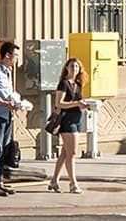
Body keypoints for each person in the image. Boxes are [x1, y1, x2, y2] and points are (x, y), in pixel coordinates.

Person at [0, 42, 29, 197]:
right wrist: (4, 103)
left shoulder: (8, 73)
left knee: (4, 149)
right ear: (7, 55)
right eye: (15, 56)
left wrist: (16, 104)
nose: (16, 59)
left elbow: (8, 94)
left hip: (7, 114)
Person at [46, 55, 86, 194]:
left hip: (76, 119)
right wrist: (76, 103)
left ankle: (54, 181)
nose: (74, 68)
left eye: (76, 66)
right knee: (72, 153)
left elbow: (78, 100)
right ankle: (73, 183)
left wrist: (85, 104)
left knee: (65, 153)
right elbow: (59, 103)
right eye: (71, 66)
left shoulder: (78, 84)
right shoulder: (64, 83)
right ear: (66, 68)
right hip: (67, 120)